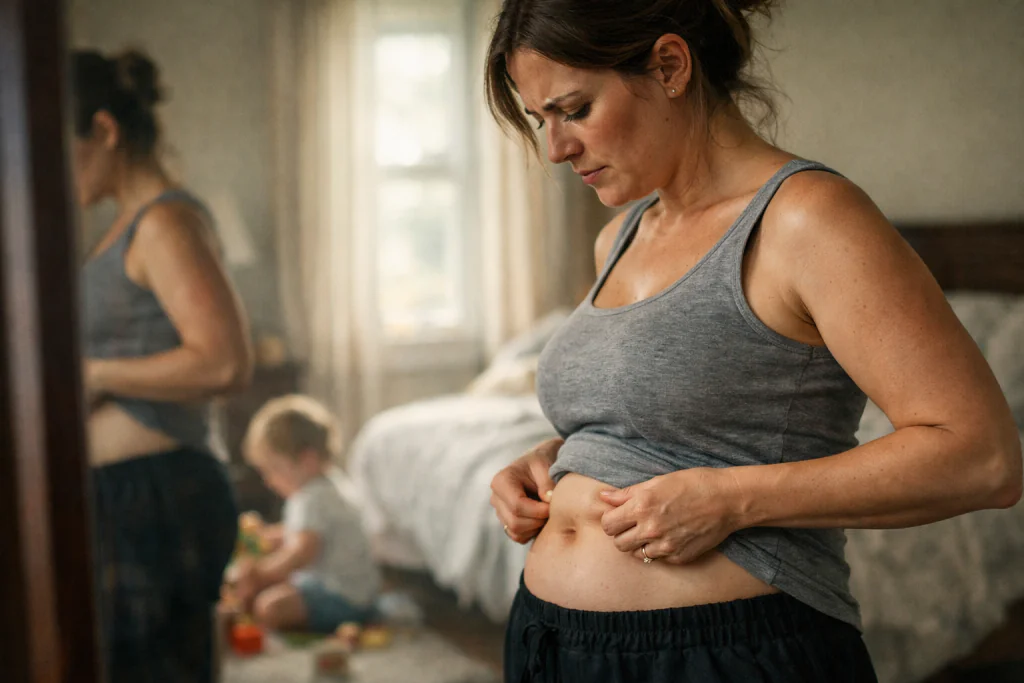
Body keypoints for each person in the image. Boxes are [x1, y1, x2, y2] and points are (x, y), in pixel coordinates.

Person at [484, 2, 1023, 681]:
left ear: (671, 65)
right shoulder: (619, 236)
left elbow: (983, 456)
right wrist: (554, 461)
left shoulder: (807, 219)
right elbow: (668, 412)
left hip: (726, 651)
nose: (556, 148)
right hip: (549, 639)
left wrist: (730, 499)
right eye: (542, 121)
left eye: (575, 110)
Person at [73, 48, 253, 682]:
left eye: (60, 147)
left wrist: (92, 375)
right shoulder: (124, 226)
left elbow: (224, 362)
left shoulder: (164, 222)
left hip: (157, 495)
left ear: (103, 130)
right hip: (129, 495)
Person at [233, 394, 382, 633]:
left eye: (274, 469)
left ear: (307, 461)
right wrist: (268, 537)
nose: (269, 481)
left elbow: (301, 553)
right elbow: (302, 532)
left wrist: (262, 572)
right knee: (274, 587)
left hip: (341, 597)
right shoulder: (330, 485)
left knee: (268, 606)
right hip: (360, 592)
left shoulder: (312, 499)